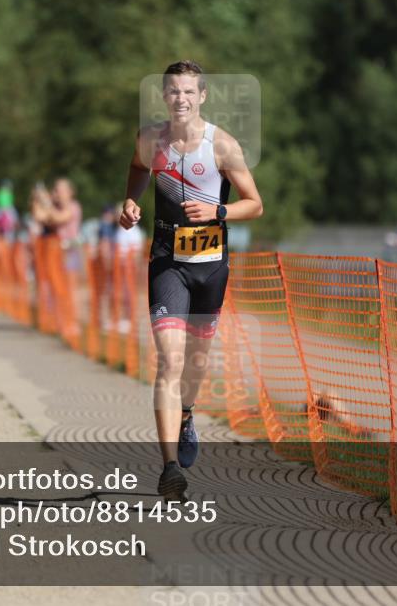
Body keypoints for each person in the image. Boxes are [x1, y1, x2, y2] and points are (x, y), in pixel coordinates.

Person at [119, 60, 263, 499]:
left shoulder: (222, 146)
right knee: (170, 361)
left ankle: (186, 415)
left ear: (201, 97)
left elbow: (254, 204)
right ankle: (168, 470)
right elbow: (138, 170)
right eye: (172, 92)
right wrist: (129, 201)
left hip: (211, 264)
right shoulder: (150, 140)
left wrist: (219, 211)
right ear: (164, 97)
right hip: (167, 260)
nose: (180, 99)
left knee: (195, 364)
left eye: (188, 92)